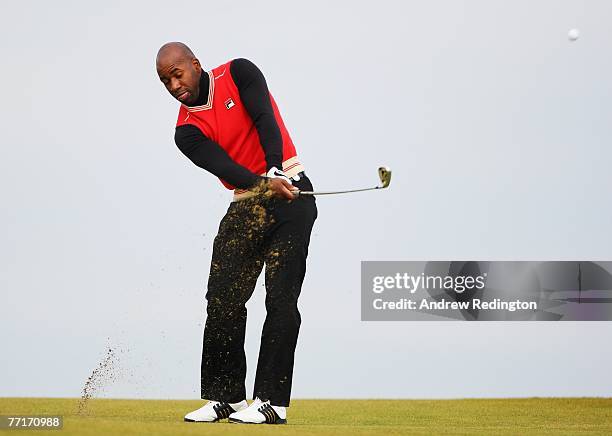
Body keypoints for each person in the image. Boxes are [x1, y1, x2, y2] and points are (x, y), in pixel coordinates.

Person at [155, 42, 317, 425]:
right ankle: (223, 397)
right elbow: (224, 166)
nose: (173, 84)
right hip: (246, 202)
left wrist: (275, 169)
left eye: (178, 73)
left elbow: (265, 119)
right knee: (223, 298)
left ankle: (271, 403)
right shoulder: (185, 131)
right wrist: (262, 182)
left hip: (292, 194)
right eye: (165, 81)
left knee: (280, 300)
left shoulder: (239, 72)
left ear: (195, 65)